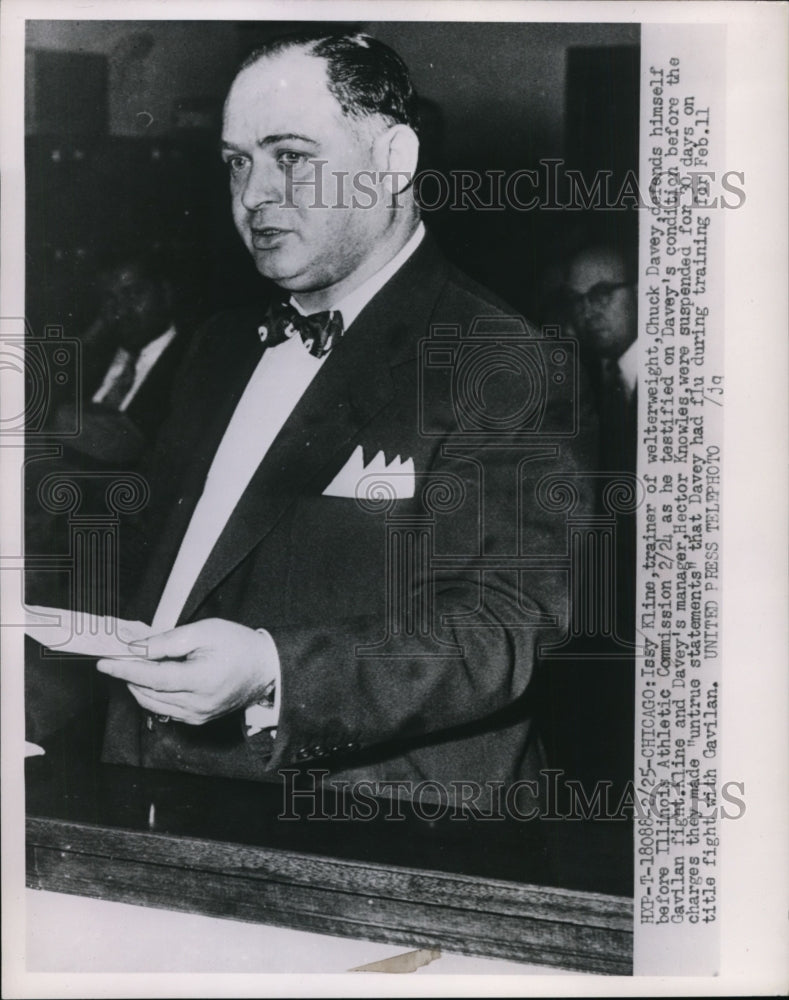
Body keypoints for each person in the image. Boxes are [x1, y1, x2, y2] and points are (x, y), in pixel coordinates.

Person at [59, 32, 597, 808]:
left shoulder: (499, 357)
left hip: (369, 826)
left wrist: (275, 672)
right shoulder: (217, 347)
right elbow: (158, 573)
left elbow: (505, 625)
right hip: (152, 791)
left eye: (290, 156)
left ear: (393, 161)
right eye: (237, 161)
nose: (252, 195)